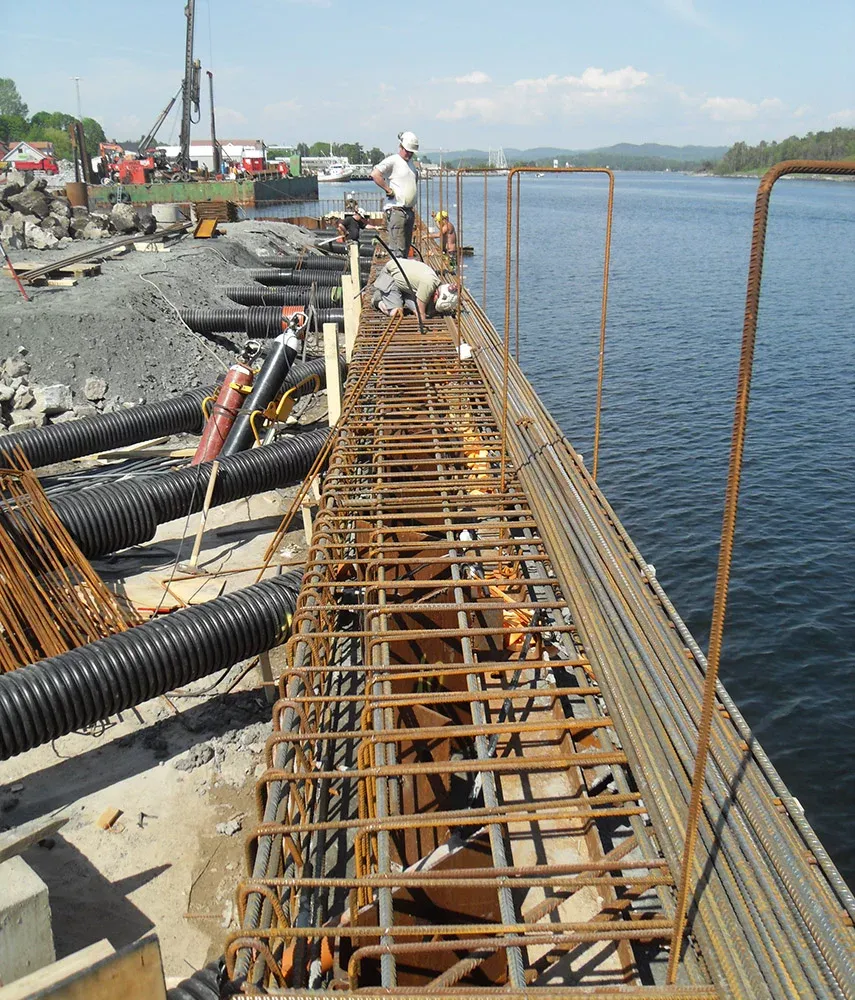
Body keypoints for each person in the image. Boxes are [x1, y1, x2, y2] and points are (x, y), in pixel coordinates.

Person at [370, 131, 419, 258]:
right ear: (401, 147)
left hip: (408, 211)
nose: (409, 154)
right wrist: (388, 190)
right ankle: (397, 269)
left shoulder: (411, 164)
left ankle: (402, 268)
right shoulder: (393, 160)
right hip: (397, 210)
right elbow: (375, 174)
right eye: (407, 151)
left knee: (405, 249)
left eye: (411, 152)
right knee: (397, 250)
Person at [371, 258, 458, 323]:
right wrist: (423, 326)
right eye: (436, 302)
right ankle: (377, 299)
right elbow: (421, 314)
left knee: (418, 308)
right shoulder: (428, 284)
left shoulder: (436, 284)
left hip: (405, 282)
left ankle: (402, 295)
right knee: (396, 313)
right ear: (436, 295)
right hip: (390, 275)